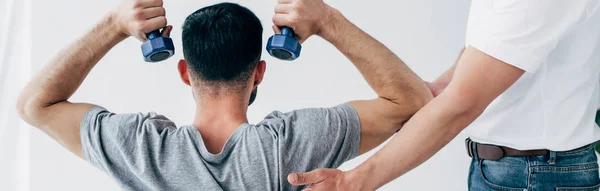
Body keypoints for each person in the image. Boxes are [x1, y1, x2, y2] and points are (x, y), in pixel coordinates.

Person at [16, 0, 432, 190]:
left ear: (184, 72)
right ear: (259, 73)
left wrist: (113, 22)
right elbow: (412, 102)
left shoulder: (142, 149)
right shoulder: (291, 145)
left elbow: (35, 104)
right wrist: (327, 20)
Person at [288, 0, 600, 190]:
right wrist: (429, 94)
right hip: (508, 171)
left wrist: (353, 183)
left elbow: (461, 104)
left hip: (534, 176)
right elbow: (478, 64)